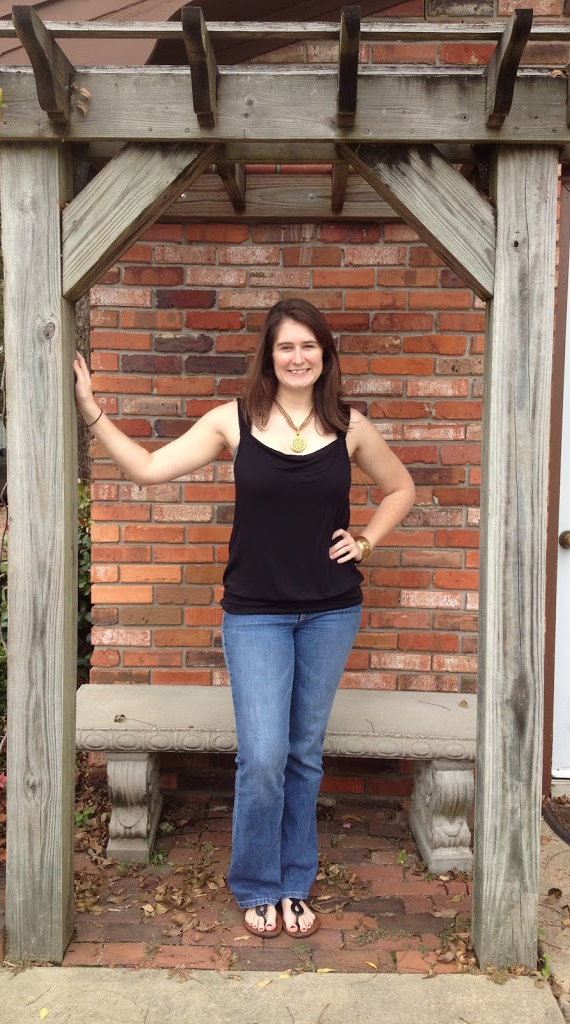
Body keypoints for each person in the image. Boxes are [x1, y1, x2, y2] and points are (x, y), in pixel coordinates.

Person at [73, 297, 415, 938]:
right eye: (286, 346)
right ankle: (257, 882)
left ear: (324, 355)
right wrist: (92, 410)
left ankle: (294, 882)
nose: (297, 357)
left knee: (304, 754)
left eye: (309, 345)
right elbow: (146, 469)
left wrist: (367, 540)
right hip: (256, 614)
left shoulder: (350, 426)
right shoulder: (231, 421)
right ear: (269, 354)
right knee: (262, 755)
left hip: (331, 611)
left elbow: (401, 488)